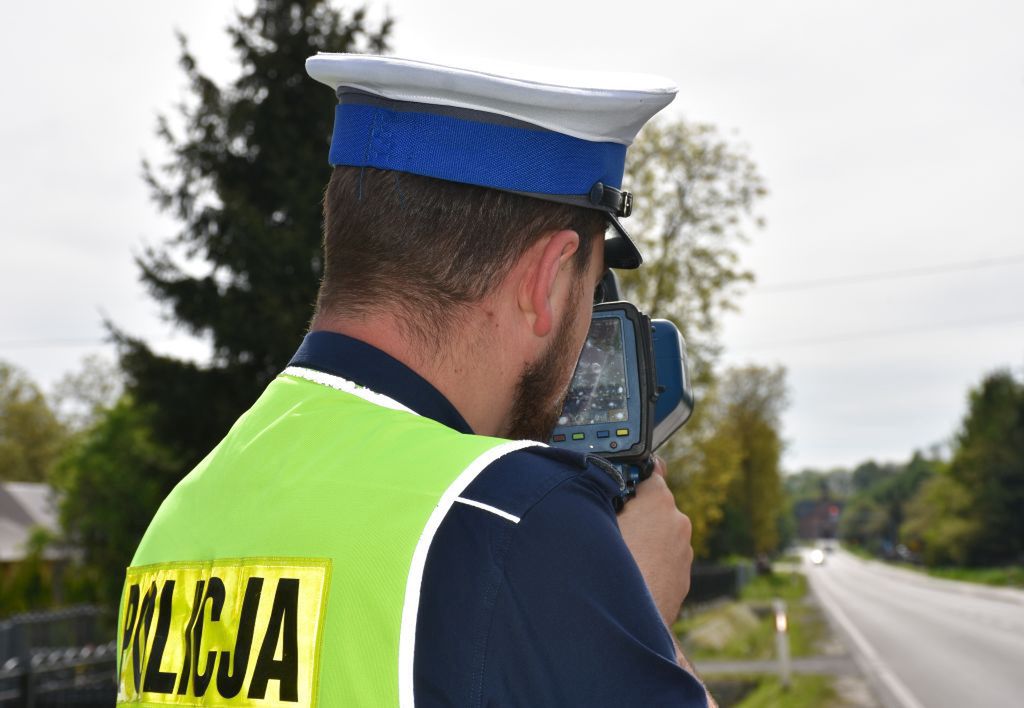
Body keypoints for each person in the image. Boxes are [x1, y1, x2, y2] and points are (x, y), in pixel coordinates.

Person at [115, 54, 714, 707]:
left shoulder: (179, 520)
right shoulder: (515, 515)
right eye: (589, 288)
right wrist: (639, 631)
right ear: (546, 280)